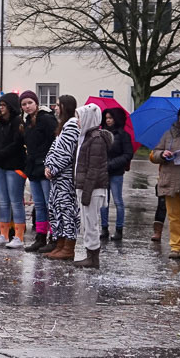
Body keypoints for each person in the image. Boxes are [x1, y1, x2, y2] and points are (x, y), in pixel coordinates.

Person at [73, 104, 111, 269]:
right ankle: (90, 254)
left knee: (91, 222)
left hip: (93, 189)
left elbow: (93, 169)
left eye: (80, 118)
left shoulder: (95, 139)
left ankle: (93, 257)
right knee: (87, 222)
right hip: (89, 188)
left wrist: (86, 192)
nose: (78, 122)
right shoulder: (88, 137)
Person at [19, 90, 58, 252]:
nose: (27, 106)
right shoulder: (27, 121)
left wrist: (50, 164)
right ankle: (40, 237)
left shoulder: (47, 119)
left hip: (45, 167)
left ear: (36, 103)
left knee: (50, 204)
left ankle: (53, 237)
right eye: (24, 104)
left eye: (29, 103)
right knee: (40, 205)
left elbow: (54, 143)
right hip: (33, 167)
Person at [44, 95, 81, 261]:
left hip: (65, 178)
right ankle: (59, 243)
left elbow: (65, 152)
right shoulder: (63, 127)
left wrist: (52, 167)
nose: (55, 108)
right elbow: (53, 148)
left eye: (58, 105)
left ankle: (68, 246)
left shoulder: (72, 126)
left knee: (66, 211)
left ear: (65, 107)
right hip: (57, 177)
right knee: (56, 210)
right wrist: (48, 165)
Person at [0, 93, 27, 249]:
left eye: (4, 105)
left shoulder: (18, 122)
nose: (1, 108)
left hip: (14, 166)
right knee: (2, 201)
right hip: (0, 166)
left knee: (16, 201)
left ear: (10, 106)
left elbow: (16, 144)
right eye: (0, 105)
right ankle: (3, 234)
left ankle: (18, 236)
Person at [150, 105, 180, 259]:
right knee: (174, 216)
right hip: (170, 181)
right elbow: (153, 155)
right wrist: (162, 154)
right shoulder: (168, 135)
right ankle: (175, 246)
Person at [101, 108, 133, 242]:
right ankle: (104, 228)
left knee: (118, 201)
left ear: (116, 119)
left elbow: (127, 154)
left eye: (111, 118)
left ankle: (119, 229)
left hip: (116, 173)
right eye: (107, 117)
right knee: (103, 202)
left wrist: (111, 164)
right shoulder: (101, 134)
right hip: (103, 172)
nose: (108, 120)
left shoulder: (123, 135)